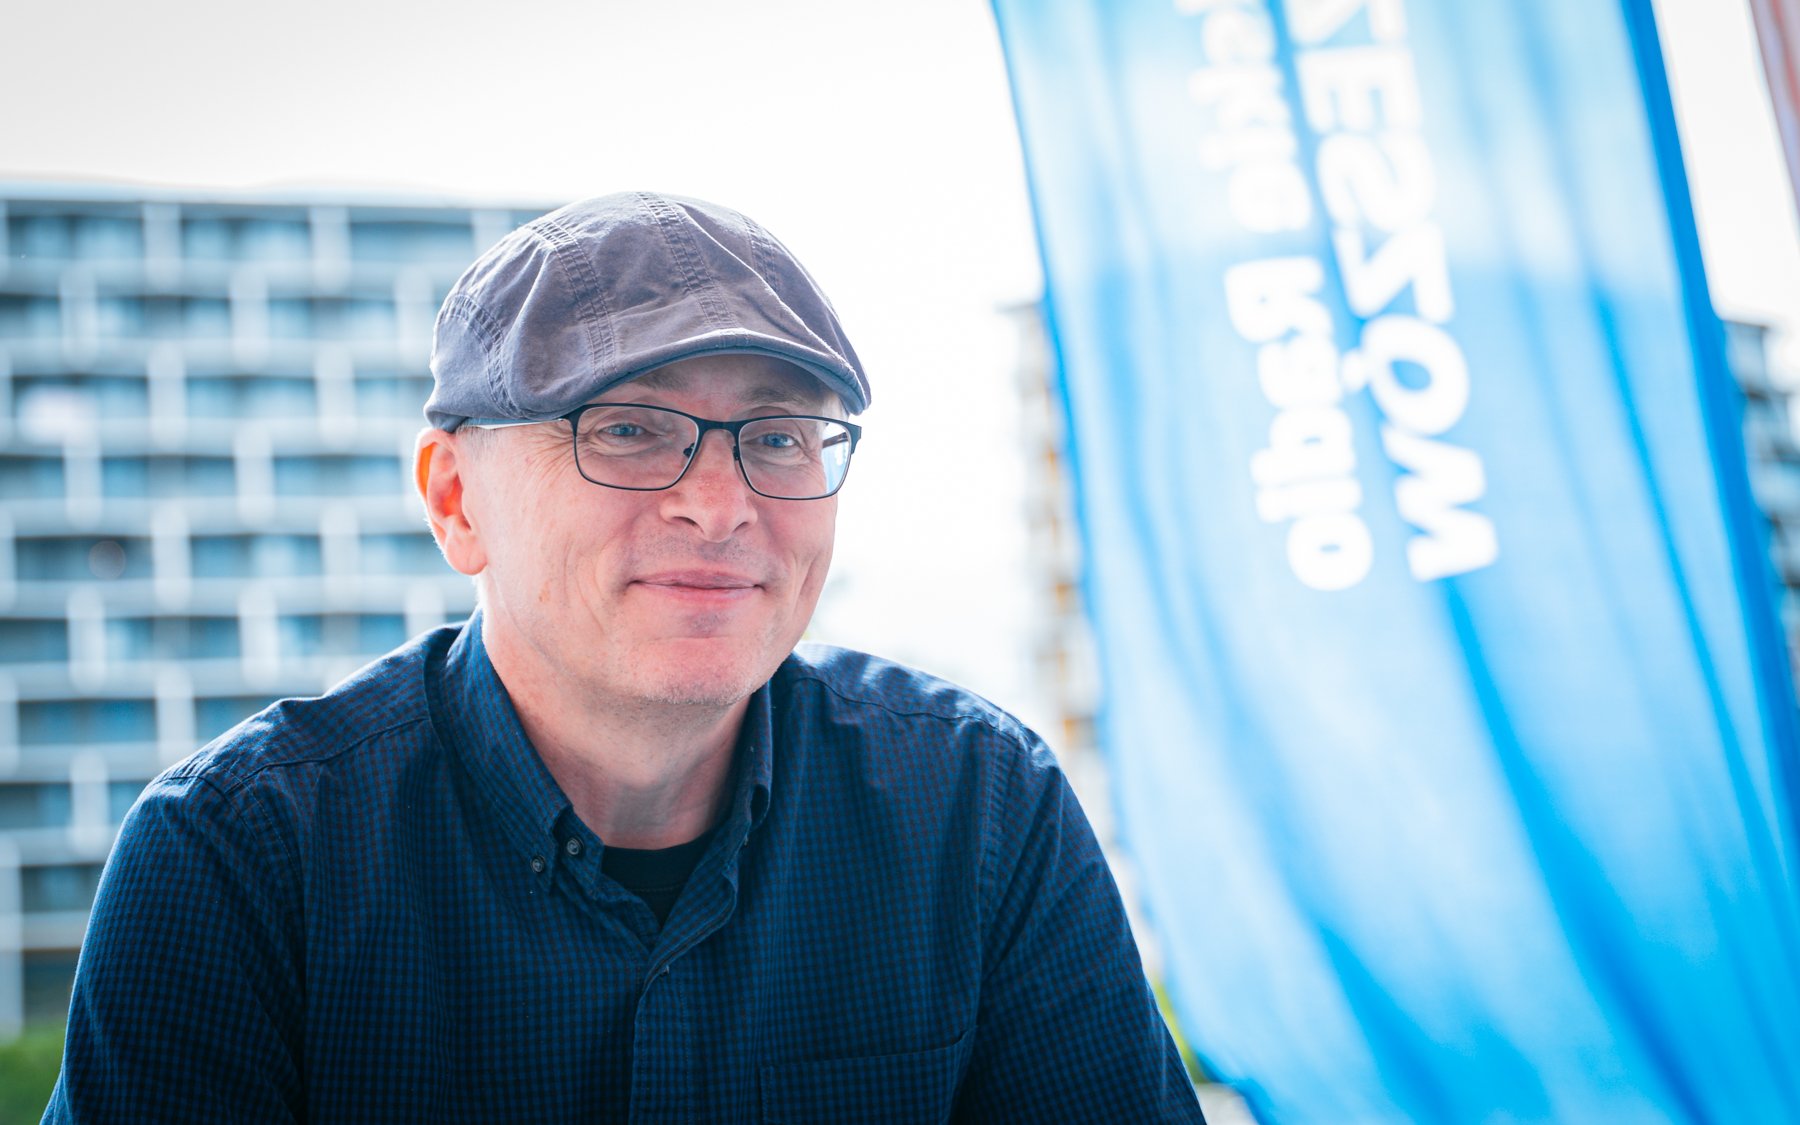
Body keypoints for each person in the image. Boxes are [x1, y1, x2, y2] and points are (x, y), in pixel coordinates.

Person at [46, 192, 1206, 1122]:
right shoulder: (244, 858)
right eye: (630, 429)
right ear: (456, 501)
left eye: (779, 436)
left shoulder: (980, 809)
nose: (721, 503)